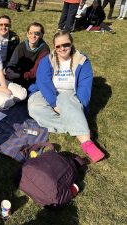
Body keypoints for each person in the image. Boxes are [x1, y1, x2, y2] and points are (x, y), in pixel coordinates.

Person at [28, 31, 105, 163]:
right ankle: (78, 126)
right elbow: (43, 82)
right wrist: (54, 104)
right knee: (33, 105)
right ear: (54, 47)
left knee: (66, 100)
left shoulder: (82, 60)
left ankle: (86, 143)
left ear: (71, 44)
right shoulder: (48, 60)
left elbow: (84, 88)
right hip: (51, 91)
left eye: (66, 45)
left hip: (69, 93)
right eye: (58, 46)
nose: (62, 48)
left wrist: (80, 107)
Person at [5, 22, 50, 93]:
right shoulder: (21, 46)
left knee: (33, 90)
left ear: (41, 35)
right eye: (30, 33)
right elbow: (12, 63)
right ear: (27, 34)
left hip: (34, 79)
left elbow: (36, 72)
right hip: (19, 76)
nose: (33, 36)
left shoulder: (44, 50)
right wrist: (9, 70)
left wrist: (18, 75)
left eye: (37, 33)